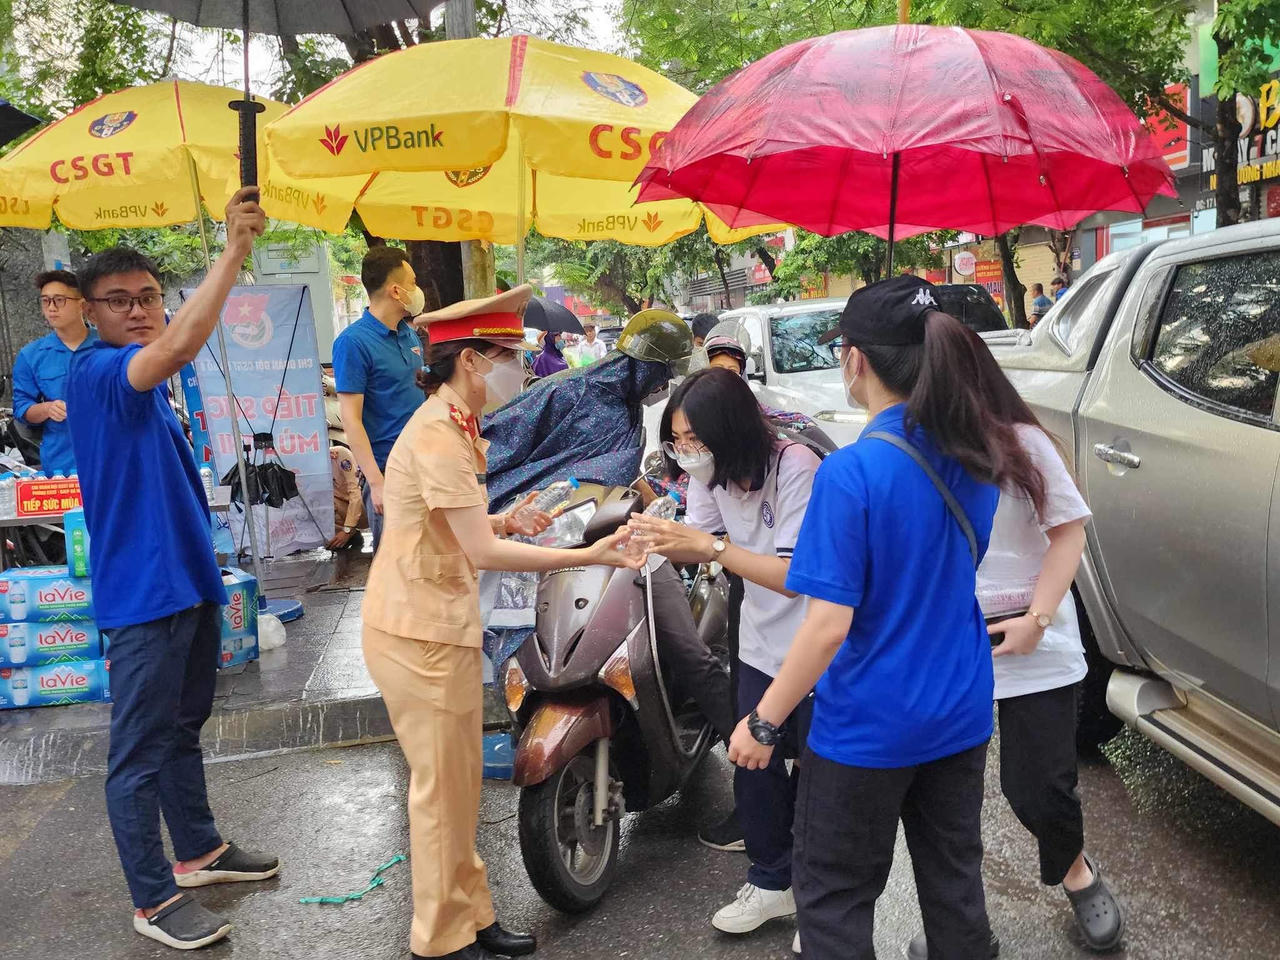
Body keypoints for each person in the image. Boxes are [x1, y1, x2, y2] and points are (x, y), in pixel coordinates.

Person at [727, 275, 1049, 960]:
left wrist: (764, 720)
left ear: (854, 359)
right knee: (955, 882)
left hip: (868, 728)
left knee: (837, 898)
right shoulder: (978, 453)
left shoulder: (851, 474)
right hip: (959, 710)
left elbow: (827, 625)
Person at [360, 284, 640, 960]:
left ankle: (472, 915)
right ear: (472, 363)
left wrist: (501, 516)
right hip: (416, 631)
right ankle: (440, 937)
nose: (520, 366)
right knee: (440, 795)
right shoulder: (439, 435)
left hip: (438, 622)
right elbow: (481, 554)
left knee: (457, 790)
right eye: (508, 354)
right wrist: (581, 551)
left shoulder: (454, 423)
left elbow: (449, 527)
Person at [65, 188, 277, 951]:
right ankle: (153, 900)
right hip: (143, 597)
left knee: (184, 729)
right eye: (118, 300)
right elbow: (180, 348)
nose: (139, 309)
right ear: (89, 312)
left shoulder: (143, 381)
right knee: (139, 755)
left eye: (149, 296)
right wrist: (233, 251)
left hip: (188, 583)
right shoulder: (98, 375)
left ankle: (198, 852)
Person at [906, 354, 1122, 958]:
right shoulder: (910, 447)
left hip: (1032, 638)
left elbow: (1069, 531)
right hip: (950, 642)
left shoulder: (1022, 443)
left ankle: (1076, 870)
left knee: (1038, 788)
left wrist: (1036, 619)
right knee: (946, 802)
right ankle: (961, 924)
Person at [631, 367, 821, 944]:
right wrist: (643, 538)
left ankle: (817, 901)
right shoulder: (709, 474)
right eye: (678, 441)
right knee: (752, 763)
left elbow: (793, 576)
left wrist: (710, 546)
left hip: (818, 646)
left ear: (733, 428)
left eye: (695, 440)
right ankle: (770, 881)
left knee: (819, 777)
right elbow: (694, 538)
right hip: (759, 641)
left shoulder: (796, 467)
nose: (686, 453)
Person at [482, 309, 694, 509]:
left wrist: (651, 500)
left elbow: (617, 462)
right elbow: (492, 446)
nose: (662, 387)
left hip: (587, 524)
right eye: (662, 375)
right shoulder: (567, 390)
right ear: (645, 367)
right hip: (520, 514)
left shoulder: (630, 408)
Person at [333, 246, 428, 551]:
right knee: (396, 572)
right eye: (412, 283)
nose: (418, 290)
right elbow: (351, 419)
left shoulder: (408, 334)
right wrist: (376, 483)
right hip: (389, 472)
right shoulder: (353, 343)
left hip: (425, 466)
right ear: (396, 291)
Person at [14, 269, 95, 474]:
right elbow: (22, 409)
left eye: (59, 300)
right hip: (62, 464)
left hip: (114, 458)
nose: (51, 308)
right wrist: (47, 409)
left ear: (82, 304)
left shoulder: (110, 345)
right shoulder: (31, 355)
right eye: (45, 301)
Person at [328, 443, 366, 551]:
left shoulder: (339, 454)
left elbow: (356, 492)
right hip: (343, 509)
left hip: (366, 507)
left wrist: (347, 530)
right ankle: (348, 537)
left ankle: (348, 533)